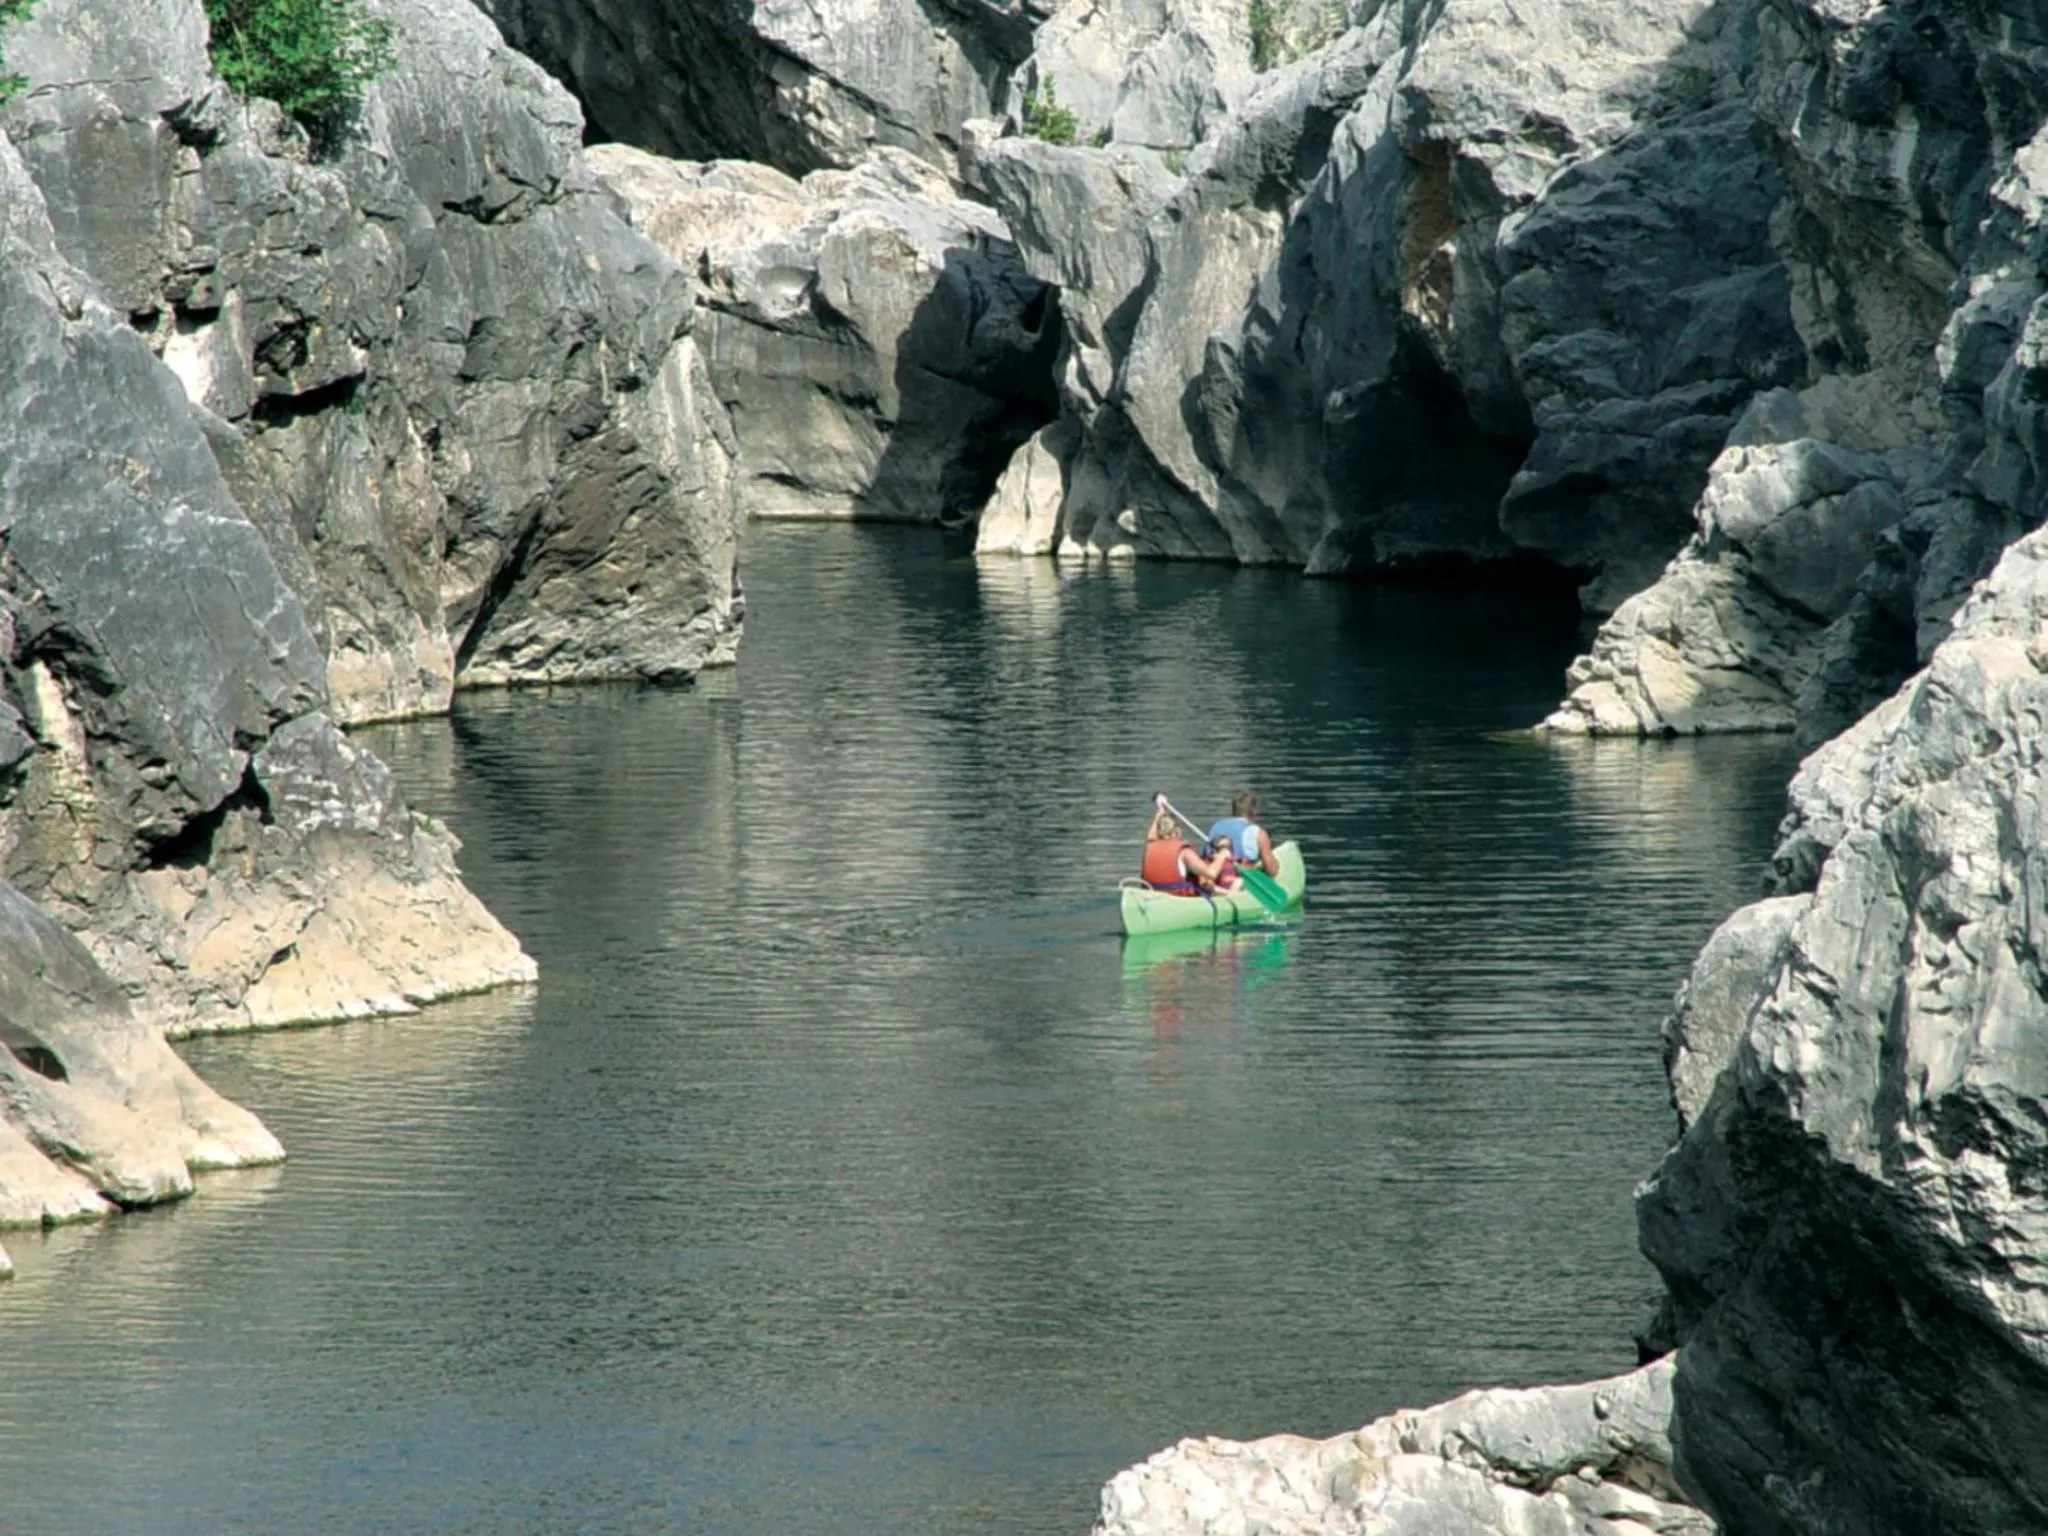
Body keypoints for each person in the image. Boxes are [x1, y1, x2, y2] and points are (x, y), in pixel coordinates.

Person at [1141, 809, 1230, 894]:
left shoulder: (1149, 846)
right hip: (1175, 898)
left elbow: (1151, 836)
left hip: (1153, 895)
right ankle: (1228, 893)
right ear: (1177, 831)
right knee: (1201, 879)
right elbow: (1211, 873)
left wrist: (1159, 812)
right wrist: (1223, 854)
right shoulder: (1184, 852)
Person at [1207, 790, 1279, 877]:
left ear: (1233, 810)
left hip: (1212, 878)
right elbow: (1272, 871)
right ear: (1254, 811)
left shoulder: (1215, 827)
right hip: (1238, 881)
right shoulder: (1258, 833)